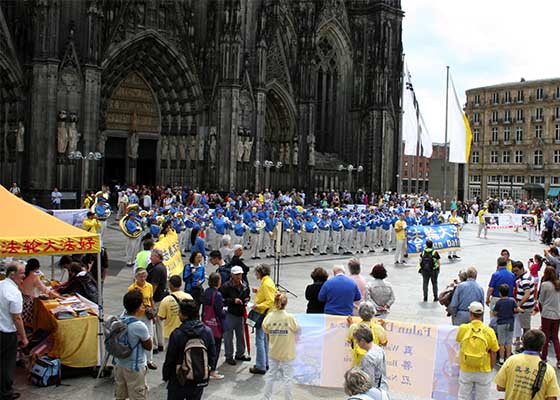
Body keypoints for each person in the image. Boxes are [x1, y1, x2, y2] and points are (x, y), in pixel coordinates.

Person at [162, 299, 216, 400]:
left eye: (180, 312)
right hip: (198, 376)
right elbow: (212, 354)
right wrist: (208, 370)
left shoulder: (177, 334)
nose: (178, 314)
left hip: (179, 377)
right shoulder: (207, 331)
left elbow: (170, 358)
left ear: (185, 315)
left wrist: (166, 375)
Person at [495, 329, 560, 400]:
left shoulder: (511, 361)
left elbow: (500, 387)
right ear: (542, 347)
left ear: (523, 344)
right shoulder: (548, 370)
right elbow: (552, 397)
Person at [455, 301, 499, 400]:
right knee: (483, 397)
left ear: (470, 313)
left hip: (466, 368)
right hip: (483, 369)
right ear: (482, 314)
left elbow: (458, 341)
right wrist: (490, 368)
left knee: (463, 396)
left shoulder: (463, 328)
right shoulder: (489, 331)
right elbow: (494, 351)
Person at [113, 290, 152, 400]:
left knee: (120, 396)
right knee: (138, 396)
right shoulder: (139, 326)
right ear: (139, 306)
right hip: (134, 367)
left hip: (119, 364)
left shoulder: (118, 321)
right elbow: (148, 346)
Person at [262, 292, 300, 400]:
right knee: (288, 378)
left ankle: (266, 397)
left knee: (271, 376)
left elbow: (265, 329)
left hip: (274, 350)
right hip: (287, 351)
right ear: (286, 303)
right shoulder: (289, 318)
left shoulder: (269, 317)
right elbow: (296, 329)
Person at [0, 262, 28, 400]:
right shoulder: (14, 292)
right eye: (22, 273)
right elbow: (17, 318)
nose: (24, 275)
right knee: (7, 362)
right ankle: (5, 392)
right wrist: (24, 337)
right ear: (12, 274)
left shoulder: (1, 285)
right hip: (6, 332)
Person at [250, 264, 278, 375]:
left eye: (256, 272)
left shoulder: (265, 284)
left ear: (260, 272)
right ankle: (265, 363)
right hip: (269, 314)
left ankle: (261, 365)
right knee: (264, 340)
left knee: (259, 340)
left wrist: (258, 306)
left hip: (264, 314)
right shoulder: (268, 281)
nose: (255, 274)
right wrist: (258, 291)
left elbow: (270, 301)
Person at [220, 265, 251, 366]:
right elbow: (221, 300)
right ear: (232, 275)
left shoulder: (245, 285)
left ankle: (240, 354)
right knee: (228, 336)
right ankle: (229, 355)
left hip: (240, 313)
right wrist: (233, 301)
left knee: (240, 335)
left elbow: (247, 295)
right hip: (230, 313)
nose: (238, 277)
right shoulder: (226, 286)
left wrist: (246, 300)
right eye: (236, 275)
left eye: (240, 274)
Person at [127, 268, 157, 370]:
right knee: (137, 336)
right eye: (141, 276)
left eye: (144, 276)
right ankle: (141, 358)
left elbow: (151, 299)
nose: (143, 278)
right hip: (136, 314)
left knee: (149, 336)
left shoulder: (149, 286)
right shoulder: (132, 288)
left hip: (147, 314)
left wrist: (154, 312)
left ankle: (150, 360)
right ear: (136, 277)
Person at [19, 259, 61, 325]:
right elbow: (45, 290)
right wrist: (60, 297)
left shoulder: (24, 273)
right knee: (25, 319)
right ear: (37, 267)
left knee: (21, 318)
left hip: (22, 297)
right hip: (28, 300)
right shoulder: (34, 276)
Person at [201, 272, 226, 380]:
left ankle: (205, 368)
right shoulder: (217, 294)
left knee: (206, 347)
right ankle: (213, 370)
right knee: (215, 347)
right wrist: (225, 311)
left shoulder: (206, 291)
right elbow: (220, 312)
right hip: (215, 324)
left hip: (206, 322)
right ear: (218, 281)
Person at [346, 302, 388, 367]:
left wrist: (351, 323)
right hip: (372, 362)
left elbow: (349, 340)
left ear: (359, 313)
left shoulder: (354, 327)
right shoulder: (378, 328)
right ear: (373, 313)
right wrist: (382, 327)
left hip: (357, 363)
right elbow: (384, 343)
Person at [157, 275, 193, 347]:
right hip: (187, 332)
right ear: (181, 284)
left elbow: (161, 317)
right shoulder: (189, 297)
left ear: (170, 285)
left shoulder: (166, 300)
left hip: (170, 333)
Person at [353, 326, 389, 393]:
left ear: (362, 341)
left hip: (374, 392)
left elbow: (369, 381)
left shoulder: (368, 358)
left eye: (357, 342)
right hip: (383, 388)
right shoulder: (379, 349)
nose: (357, 344)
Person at [493, 283, 522, 365]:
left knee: (501, 343)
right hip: (510, 323)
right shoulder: (512, 300)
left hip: (501, 323)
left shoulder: (499, 302)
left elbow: (495, 313)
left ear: (500, 293)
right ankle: (508, 359)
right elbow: (516, 309)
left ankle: (501, 359)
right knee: (508, 342)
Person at [538, 266, 560, 367]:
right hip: (557, 314)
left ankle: (544, 357)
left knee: (545, 336)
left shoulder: (545, 285)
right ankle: (559, 358)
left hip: (547, 313)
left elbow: (541, 300)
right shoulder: (558, 284)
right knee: (555, 337)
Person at [147, 249, 168, 354]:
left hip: (155, 299)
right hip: (160, 297)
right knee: (159, 322)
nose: (150, 258)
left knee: (153, 321)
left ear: (158, 257)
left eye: (152, 256)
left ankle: (155, 345)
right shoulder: (159, 267)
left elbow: (154, 286)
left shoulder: (157, 269)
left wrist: (149, 298)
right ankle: (160, 343)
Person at [511, 260, 536, 337]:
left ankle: (526, 345)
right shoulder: (527, 275)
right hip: (528, 305)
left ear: (522, 268)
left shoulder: (524, 280)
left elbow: (527, 294)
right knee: (525, 326)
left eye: (517, 271)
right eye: (514, 271)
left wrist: (518, 305)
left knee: (526, 328)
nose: (515, 273)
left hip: (525, 307)